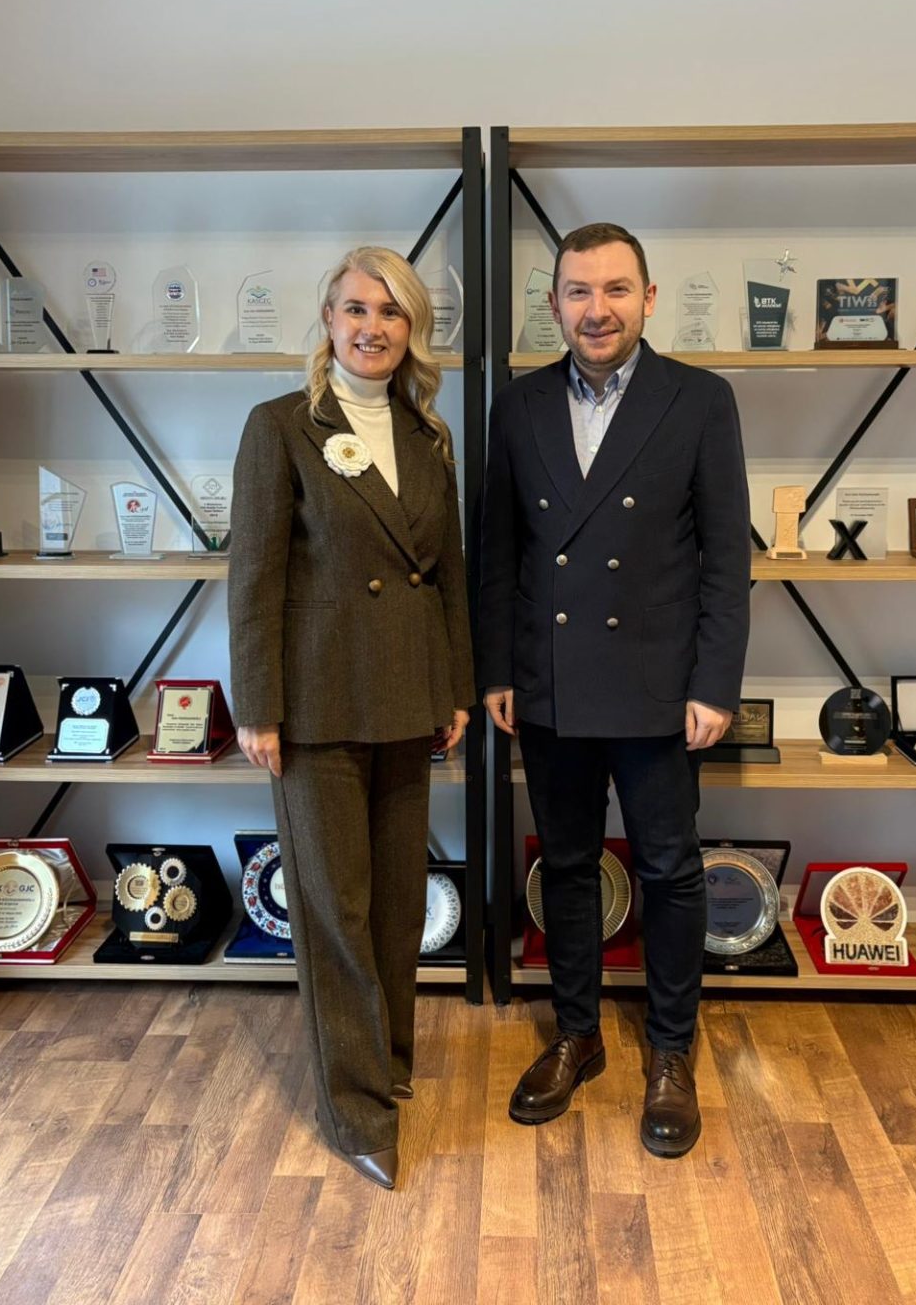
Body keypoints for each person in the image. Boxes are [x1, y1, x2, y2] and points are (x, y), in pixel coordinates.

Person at [478, 222, 750, 1158]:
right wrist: (497, 668)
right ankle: (578, 1035)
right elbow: (500, 552)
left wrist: (715, 683)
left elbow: (726, 560)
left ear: (648, 298)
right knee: (565, 865)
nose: (598, 310)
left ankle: (671, 1051)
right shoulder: (517, 406)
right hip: (549, 682)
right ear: (555, 304)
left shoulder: (700, 400)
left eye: (616, 289)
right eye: (579, 291)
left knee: (670, 869)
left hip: (658, 684)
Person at [229, 246, 473, 1191]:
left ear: (413, 330)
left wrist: (455, 688)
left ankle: (389, 1061)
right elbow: (255, 577)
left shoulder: (427, 436)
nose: (373, 327)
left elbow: (449, 577)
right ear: (328, 320)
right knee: (335, 908)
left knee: (400, 903)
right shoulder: (280, 426)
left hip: (409, 698)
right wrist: (258, 706)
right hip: (319, 703)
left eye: (393, 312)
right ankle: (357, 1110)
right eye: (357, 308)